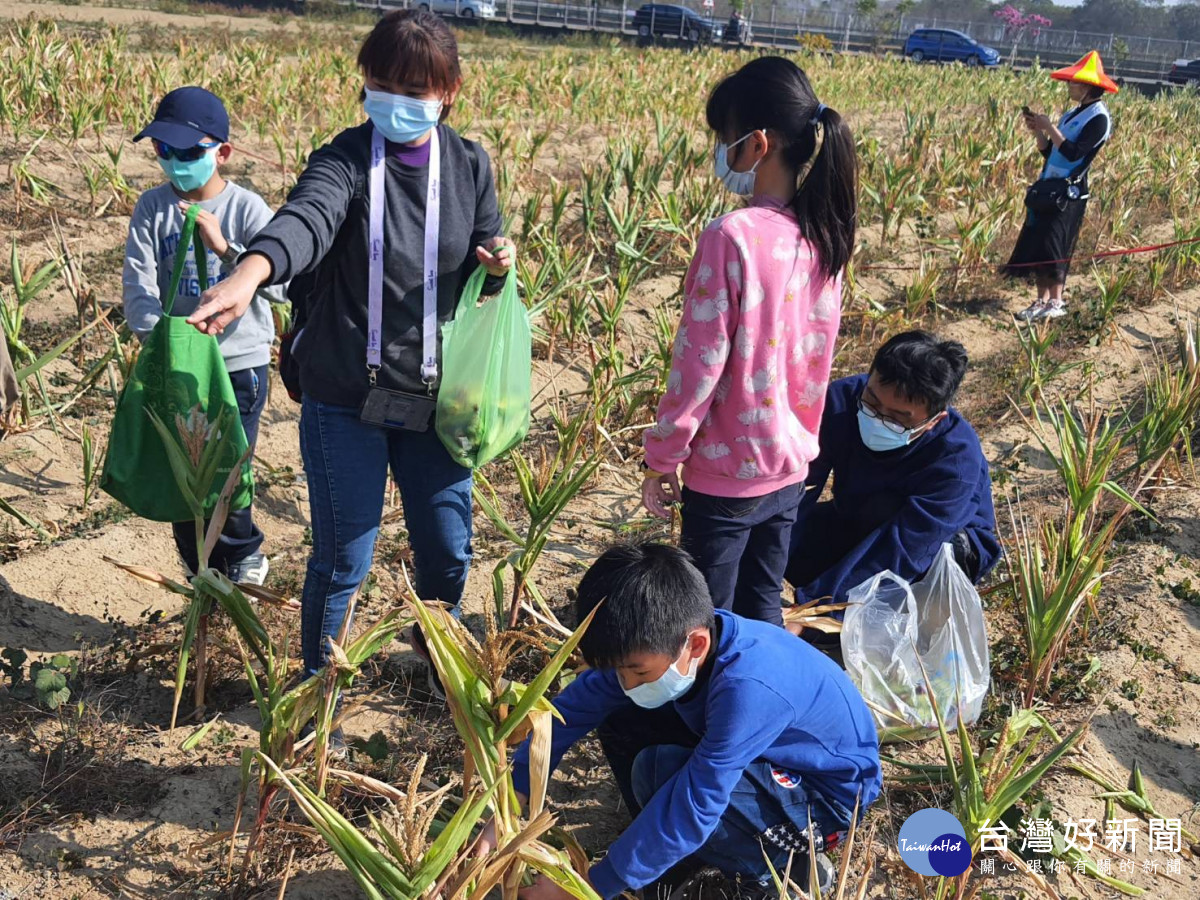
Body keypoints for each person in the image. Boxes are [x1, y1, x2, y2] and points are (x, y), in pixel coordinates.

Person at [185, 11, 514, 690]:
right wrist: (250, 273)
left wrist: (500, 261)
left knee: (449, 552)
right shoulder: (345, 159)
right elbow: (306, 218)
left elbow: (489, 243)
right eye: (382, 82)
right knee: (343, 559)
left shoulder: (470, 164)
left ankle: (437, 659)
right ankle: (317, 692)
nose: (395, 97)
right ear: (364, 83)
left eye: (414, 85)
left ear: (446, 91)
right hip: (347, 397)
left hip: (437, 401)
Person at [488, 543, 881, 898]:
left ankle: (789, 865)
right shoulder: (666, 639)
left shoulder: (749, 687)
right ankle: (663, 849)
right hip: (764, 758)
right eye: (620, 671)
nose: (628, 682)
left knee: (660, 776)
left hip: (824, 797)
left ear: (696, 644)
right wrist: (508, 805)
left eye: (637, 673)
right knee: (624, 717)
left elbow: (695, 803)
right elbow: (566, 716)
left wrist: (587, 888)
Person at [641, 57, 857, 627]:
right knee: (761, 608)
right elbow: (815, 360)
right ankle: (764, 704)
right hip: (790, 467)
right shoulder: (823, 238)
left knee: (703, 618)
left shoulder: (730, 237)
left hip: (726, 472)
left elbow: (698, 364)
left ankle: (707, 713)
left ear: (757, 144)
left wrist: (663, 456)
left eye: (725, 140)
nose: (721, 152)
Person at [123, 86, 283, 585]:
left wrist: (230, 250)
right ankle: (200, 569)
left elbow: (283, 287)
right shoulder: (151, 209)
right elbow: (138, 289)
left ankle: (244, 557)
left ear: (223, 153)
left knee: (226, 467)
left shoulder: (249, 210)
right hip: (177, 367)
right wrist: (169, 338)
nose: (174, 163)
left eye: (189, 153)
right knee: (181, 472)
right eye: (163, 151)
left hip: (238, 364)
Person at [785, 332, 1001, 644]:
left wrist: (813, 609)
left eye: (899, 418)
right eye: (872, 402)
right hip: (858, 519)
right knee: (784, 543)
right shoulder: (843, 399)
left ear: (933, 420)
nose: (879, 418)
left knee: (893, 543)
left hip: (937, 546)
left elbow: (904, 547)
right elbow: (801, 487)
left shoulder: (955, 458)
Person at [1005, 50, 1116, 322]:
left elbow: (1074, 153)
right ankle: (1040, 301)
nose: (1069, 86)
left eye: (1074, 82)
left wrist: (1050, 127)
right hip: (1048, 187)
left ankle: (1055, 302)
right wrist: (1039, 131)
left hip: (1069, 193)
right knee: (1041, 246)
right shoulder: (1073, 113)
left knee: (1055, 246)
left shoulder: (1099, 118)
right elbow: (1051, 153)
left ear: (1089, 86)